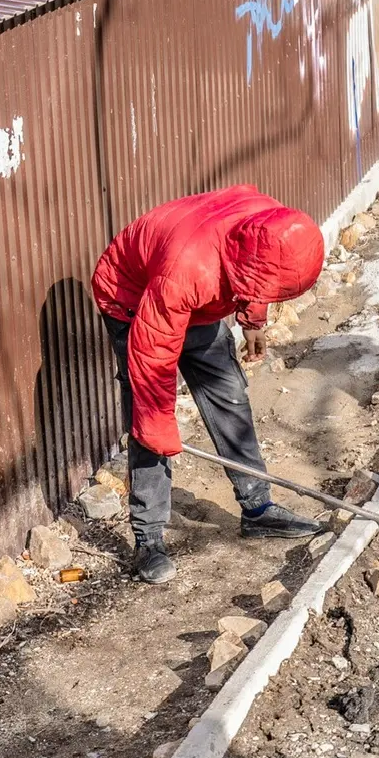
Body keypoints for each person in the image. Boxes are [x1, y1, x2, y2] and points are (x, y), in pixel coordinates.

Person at [92, 186, 330, 585]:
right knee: (149, 418)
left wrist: (253, 318)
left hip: (197, 286)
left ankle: (258, 508)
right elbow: (153, 364)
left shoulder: (271, 225)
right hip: (133, 297)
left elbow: (261, 267)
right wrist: (159, 425)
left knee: (228, 393)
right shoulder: (184, 272)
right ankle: (149, 539)